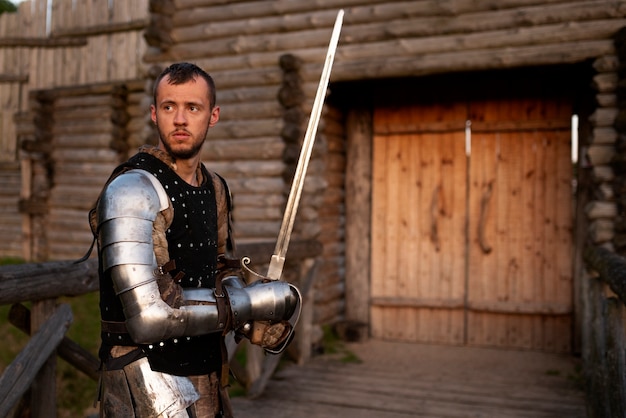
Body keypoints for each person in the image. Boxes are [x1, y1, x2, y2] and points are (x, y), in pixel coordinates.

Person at [89, 62, 301, 417]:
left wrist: (251, 322)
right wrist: (251, 305)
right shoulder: (133, 190)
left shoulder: (215, 188)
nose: (180, 119)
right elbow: (150, 316)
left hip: (205, 370)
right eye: (170, 107)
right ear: (154, 114)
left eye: (193, 107)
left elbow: (218, 268)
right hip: (147, 375)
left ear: (212, 115)